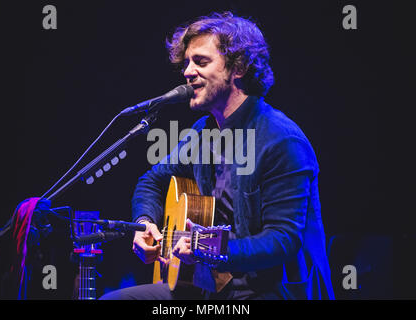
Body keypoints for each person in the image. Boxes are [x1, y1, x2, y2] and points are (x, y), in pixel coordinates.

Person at [100, 11, 334, 300]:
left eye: (200, 61)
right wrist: (145, 223)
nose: (187, 72)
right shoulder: (202, 133)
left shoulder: (282, 140)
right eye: (186, 62)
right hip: (209, 287)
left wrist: (208, 247)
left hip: (268, 291)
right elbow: (152, 180)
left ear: (239, 67)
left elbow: (282, 240)